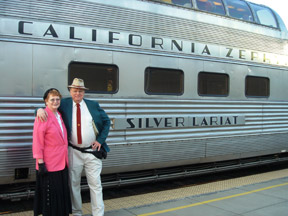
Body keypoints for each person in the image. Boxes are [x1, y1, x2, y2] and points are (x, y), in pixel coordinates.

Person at [37, 78, 111, 216]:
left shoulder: (93, 105)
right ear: (70, 91)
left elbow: (107, 122)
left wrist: (100, 140)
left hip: (92, 152)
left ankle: (98, 213)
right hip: (73, 152)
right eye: (75, 90)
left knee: (95, 185)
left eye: (80, 91)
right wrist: (39, 109)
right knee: (73, 185)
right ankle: (77, 212)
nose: (77, 93)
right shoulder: (63, 103)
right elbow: (49, 106)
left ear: (84, 92)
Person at [33, 88, 71, 216]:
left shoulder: (59, 115)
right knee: (51, 196)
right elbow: (38, 141)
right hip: (49, 164)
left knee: (60, 193)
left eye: (57, 99)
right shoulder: (43, 116)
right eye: (52, 99)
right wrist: (41, 163)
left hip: (62, 162)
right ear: (46, 101)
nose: (55, 102)